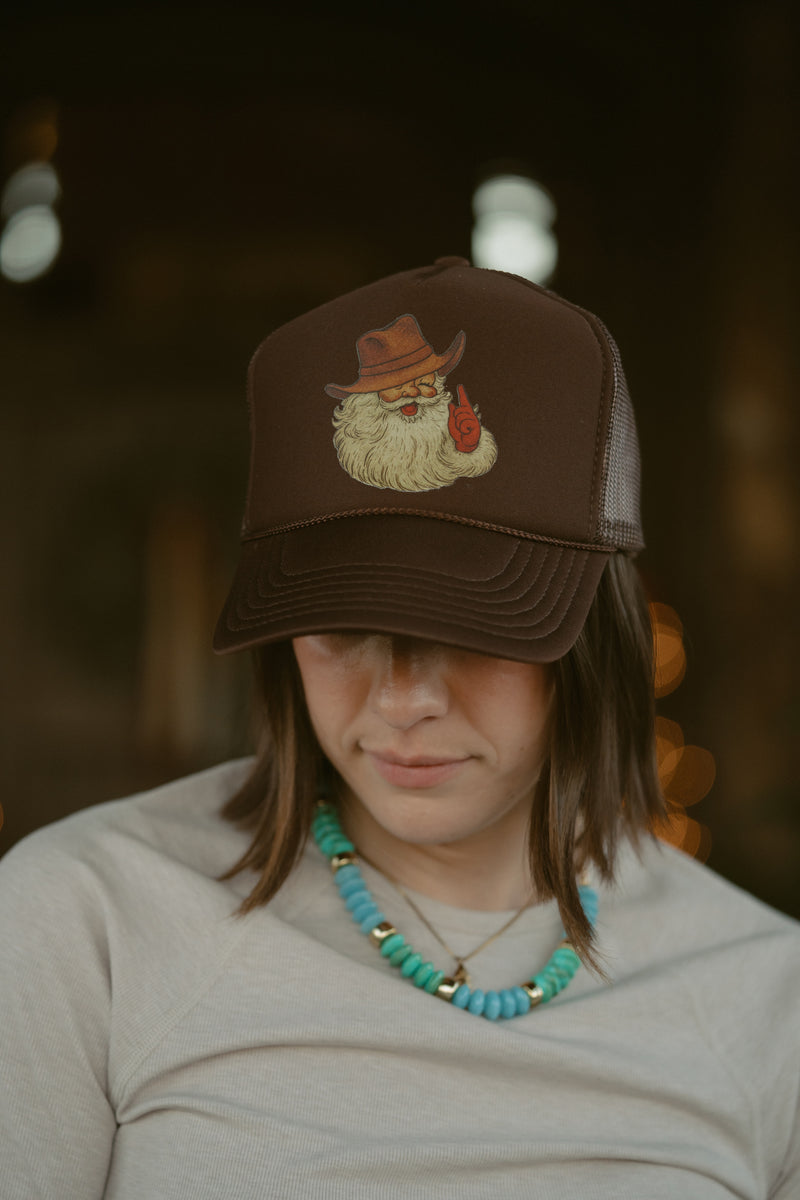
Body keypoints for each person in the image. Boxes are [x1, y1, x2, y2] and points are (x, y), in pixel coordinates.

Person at [1, 256, 798, 1198]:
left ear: (600, 633)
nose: (402, 698)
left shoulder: (768, 1004)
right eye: (342, 627)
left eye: (478, 628)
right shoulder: (84, 923)